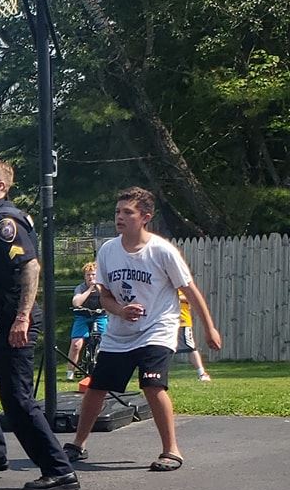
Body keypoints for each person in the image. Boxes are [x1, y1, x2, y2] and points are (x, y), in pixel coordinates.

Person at [64, 187, 222, 472]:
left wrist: (209, 328)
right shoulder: (108, 251)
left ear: (145, 217)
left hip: (157, 328)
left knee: (152, 384)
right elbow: (105, 296)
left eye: (128, 212)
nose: (120, 217)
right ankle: (77, 445)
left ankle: (171, 450)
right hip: (120, 332)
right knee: (96, 387)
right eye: (117, 212)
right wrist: (121, 311)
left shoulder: (161, 251)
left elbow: (190, 290)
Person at [0, 156, 79, 490]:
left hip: (14, 321)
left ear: (0, 187)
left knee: (18, 400)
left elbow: (30, 268)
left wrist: (22, 318)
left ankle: (59, 471)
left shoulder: (4, 222)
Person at [69, 259, 109, 379]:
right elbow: (76, 302)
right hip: (83, 316)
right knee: (76, 344)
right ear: (84, 276)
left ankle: (105, 370)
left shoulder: (102, 287)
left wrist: (98, 288)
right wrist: (89, 289)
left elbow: (108, 299)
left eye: (93, 274)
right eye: (88, 275)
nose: (91, 277)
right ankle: (70, 372)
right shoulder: (80, 288)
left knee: (106, 342)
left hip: (100, 316)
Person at [176, 291, 213, 381]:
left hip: (182, 322)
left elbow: (189, 298)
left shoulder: (181, 288)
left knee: (191, 348)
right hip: (167, 323)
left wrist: (173, 297)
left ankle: (202, 374)